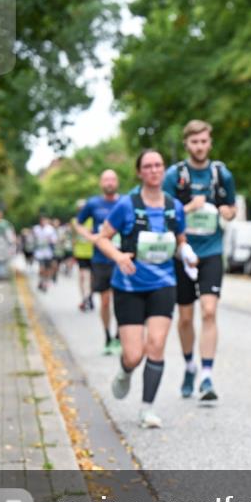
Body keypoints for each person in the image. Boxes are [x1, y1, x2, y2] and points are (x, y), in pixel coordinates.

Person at [94, 150, 196, 429]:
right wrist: (118, 256)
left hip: (163, 284)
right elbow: (102, 238)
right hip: (128, 287)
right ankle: (125, 370)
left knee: (157, 345)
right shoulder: (127, 205)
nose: (153, 170)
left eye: (158, 165)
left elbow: (180, 240)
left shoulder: (174, 206)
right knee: (134, 354)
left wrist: (187, 254)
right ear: (140, 172)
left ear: (164, 171)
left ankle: (147, 409)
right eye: (148, 166)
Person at [162, 120, 237, 402]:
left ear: (210, 142)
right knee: (184, 317)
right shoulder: (175, 175)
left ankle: (207, 375)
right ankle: (190, 365)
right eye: (194, 142)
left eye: (204, 141)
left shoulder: (221, 174)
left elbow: (231, 206)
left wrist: (228, 212)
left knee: (208, 311)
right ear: (187, 145)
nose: (200, 147)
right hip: (182, 252)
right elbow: (165, 211)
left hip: (212, 251)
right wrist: (186, 208)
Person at [74, 170, 123, 354]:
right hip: (101, 258)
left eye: (112, 179)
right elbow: (78, 223)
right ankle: (107, 336)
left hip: (121, 257)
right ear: (101, 183)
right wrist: (91, 237)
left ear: (117, 182)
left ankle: (119, 336)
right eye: (106, 179)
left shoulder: (124, 202)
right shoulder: (93, 203)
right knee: (105, 301)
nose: (109, 182)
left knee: (121, 299)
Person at [72, 199, 95, 312]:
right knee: (83, 276)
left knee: (90, 278)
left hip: (92, 252)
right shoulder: (75, 221)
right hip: (80, 252)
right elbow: (73, 238)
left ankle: (89, 296)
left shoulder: (93, 220)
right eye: (80, 208)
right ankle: (85, 298)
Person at [32, 215, 56, 291]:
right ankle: (41, 280)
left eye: (44, 221)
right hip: (39, 252)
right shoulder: (36, 229)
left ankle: (45, 281)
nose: (43, 222)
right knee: (41, 268)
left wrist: (50, 240)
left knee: (47, 268)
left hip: (48, 252)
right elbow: (33, 239)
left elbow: (54, 240)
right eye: (41, 221)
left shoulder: (50, 229)